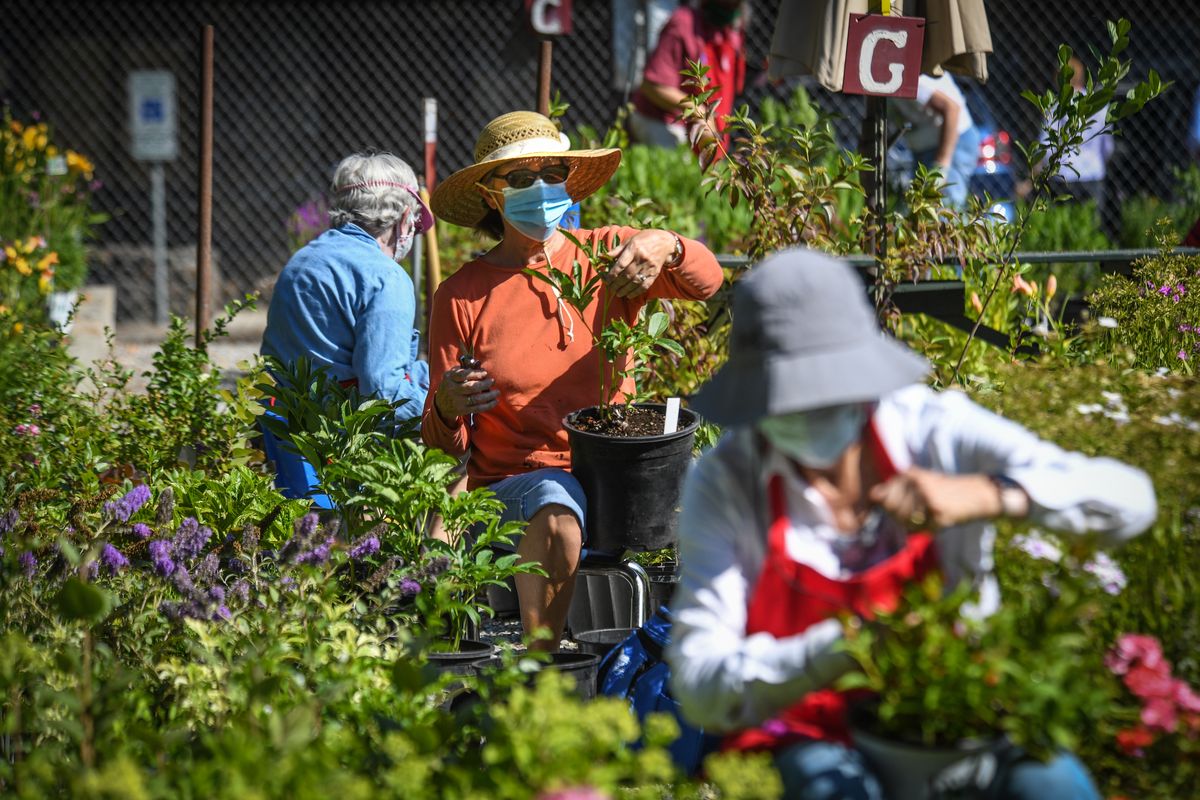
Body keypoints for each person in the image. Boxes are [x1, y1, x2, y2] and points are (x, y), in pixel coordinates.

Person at [667, 249, 1157, 798]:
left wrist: (992, 495)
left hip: (949, 709)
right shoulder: (729, 479)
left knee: (1054, 785)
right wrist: (843, 646)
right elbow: (700, 682)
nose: (810, 411)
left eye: (827, 395)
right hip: (799, 729)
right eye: (789, 401)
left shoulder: (932, 431)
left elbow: (1132, 499)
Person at [424, 111, 723, 650]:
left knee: (726, 490)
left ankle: (695, 666)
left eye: (553, 172)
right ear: (492, 195)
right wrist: (447, 405)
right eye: (520, 179)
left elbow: (708, 281)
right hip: (519, 482)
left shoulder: (607, 255)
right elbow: (445, 444)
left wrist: (665, 243)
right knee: (555, 503)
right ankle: (545, 665)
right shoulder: (463, 294)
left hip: (614, 469)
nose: (540, 190)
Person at [261, 152, 433, 505]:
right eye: (415, 224)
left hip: (286, 433)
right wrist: (442, 408)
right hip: (342, 445)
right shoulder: (386, 278)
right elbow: (384, 392)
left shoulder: (301, 261)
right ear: (403, 220)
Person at [629, 0, 747, 154]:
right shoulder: (684, 23)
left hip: (706, 135)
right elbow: (652, 85)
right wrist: (698, 111)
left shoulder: (733, 29)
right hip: (664, 122)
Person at [1040, 56, 1115, 222]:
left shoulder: (1056, 106)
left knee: (1063, 225)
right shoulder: (1100, 105)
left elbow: (1046, 147)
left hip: (1063, 175)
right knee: (1091, 226)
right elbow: (1108, 146)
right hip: (1093, 173)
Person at [891, 73, 981, 209]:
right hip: (924, 149)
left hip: (953, 142)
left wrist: (942, 166)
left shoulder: (909, 79)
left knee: (945, 208)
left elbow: (952, 109)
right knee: (921, 207)